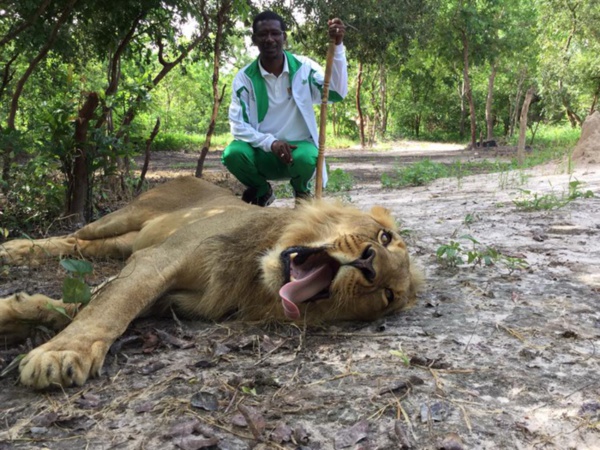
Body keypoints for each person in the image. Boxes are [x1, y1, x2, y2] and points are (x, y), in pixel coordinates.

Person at [222, 11, 348, 206]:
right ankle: (261, 191)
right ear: (254, 39)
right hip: (262, 152)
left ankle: (302, 193)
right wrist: (271, 143)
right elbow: (238, 126)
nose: (269, 39)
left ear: (284, 37)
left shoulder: (304, 68)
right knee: (233, 153)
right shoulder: (244, 78)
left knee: (308, 157)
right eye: (263, 34)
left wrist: (338, 46)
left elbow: (337, 93)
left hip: (298, 151)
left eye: (275, 33)